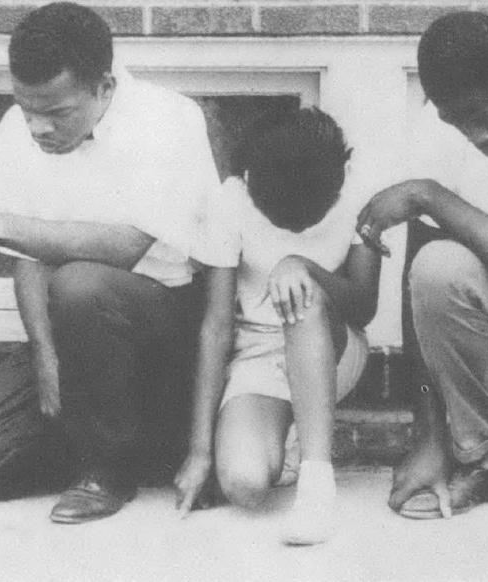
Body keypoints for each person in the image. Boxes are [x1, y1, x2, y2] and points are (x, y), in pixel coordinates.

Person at [0, 2, 223, 524]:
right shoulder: (17, 127)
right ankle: (147, 445)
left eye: (56, 113)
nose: (38, 127)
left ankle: (110, 467)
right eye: (27, 109)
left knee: (81, 284)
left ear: (104, 88)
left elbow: (128, 245)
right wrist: (46, 358)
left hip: (162, 331)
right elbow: (28, 260)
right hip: (74, 336)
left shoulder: (170, 119)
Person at [357, 11, 488, 519]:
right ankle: (486, 455)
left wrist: (430, 196)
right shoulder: (438, 133)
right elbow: (421, 295)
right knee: (436, 266)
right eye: (458, 122)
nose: (476, 136)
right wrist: (429, 438)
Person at [174, 108, 382, 545]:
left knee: (300, 295)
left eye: (312, 217)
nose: (299, 227)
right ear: (251, 178)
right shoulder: (233, 197)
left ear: (340, 177)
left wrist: (304, 265)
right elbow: (216, 326)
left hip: (331, 345)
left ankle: (316, 487)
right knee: (245, 486)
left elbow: (363, 308)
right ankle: (296, 433)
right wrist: (199, 453)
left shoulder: (361, 192)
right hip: (258, 355)